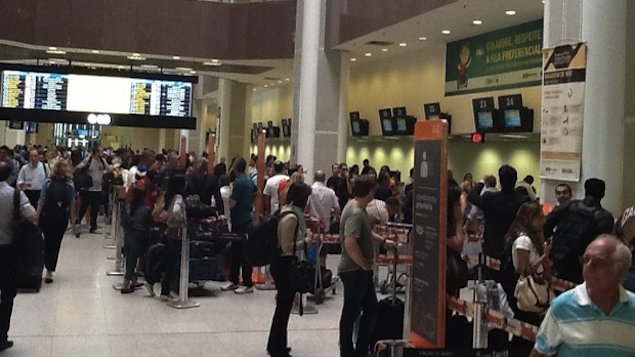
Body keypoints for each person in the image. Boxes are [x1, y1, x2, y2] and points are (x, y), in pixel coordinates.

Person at [531, 236, 635, 357]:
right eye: (585, 260)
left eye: (596, 262)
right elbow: (540, 353)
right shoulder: (562, 307)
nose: (588, 267)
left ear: (620, 270)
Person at [338, 175, 395, 357]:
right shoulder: (356, 212)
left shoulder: (355, 206)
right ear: (370, 192)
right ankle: (349, 350)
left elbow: (364, 232)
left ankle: (361, 347)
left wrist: (382, 240)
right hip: (355, 270)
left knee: (369, 308)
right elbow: (350, 242)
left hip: (358, 270)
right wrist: (364, 265)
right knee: (352, 312)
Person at [266, 183, 313, 357]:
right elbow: (286, 246)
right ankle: (277, 347)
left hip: (279, 263)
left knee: (282, 307)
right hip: (284, 264)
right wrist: (305, 241)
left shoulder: (283, 210)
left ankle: (277, 343)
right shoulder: (292, 217)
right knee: (283, 308)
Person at [502, 201, 551, 355]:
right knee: (525, 329)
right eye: (540, 217)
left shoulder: (532, 238)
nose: (544, 221)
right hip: (524, 290)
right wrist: (544, 256)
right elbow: (524, 270)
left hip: (528, 288)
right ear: (531, 218)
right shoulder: (524, 240)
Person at [545, 178, 614, 284]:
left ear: (585, 191)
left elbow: (546, 224)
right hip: (580, 265)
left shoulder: (568, 206)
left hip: (556, 257)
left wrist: (551, 244)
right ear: (603, 194)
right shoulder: (604, 217)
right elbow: (601, 246)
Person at [0, 160, 37, 351]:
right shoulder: (15, 195)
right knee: (6, 295)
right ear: (9, 176)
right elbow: (33, 217)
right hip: (8, 251)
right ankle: (1, 336)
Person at [468, 165, 530, 263]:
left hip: (492, 248)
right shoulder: (523, 200)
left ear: (500, 181)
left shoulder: (490, 198)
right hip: (515, 248)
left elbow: (471, 196)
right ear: (515, 180)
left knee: (491, 277)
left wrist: (482, 181)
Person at [148, 173, 187, 301]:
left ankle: (158, 285)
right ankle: (159, 285)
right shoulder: (179, 198)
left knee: (166, 259)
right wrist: (182, 220)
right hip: (176, 233)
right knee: (170, 262)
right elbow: (176, 211)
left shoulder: (169, 196)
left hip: (168, 231)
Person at [221, 157, 257, 294]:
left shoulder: (239, 183)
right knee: (238, 250)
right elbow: (256, 193)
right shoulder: (248, 181)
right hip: (246, 217)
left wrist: (229, 196)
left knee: (240, 251)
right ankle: (234, 279)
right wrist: (250, 205)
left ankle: (246, 282)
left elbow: (232, 203)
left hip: (239, 219)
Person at [36, 159, 75, 284]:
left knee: (46, 241)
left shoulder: (47, 182)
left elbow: (41, 201)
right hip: (61, 217)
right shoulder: (70, 185)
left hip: (47, 216)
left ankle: (44, 263)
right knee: (56, 243)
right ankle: (50, 269)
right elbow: (71, 204)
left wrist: (37, 216)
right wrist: (73, 220)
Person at [120, 187, 151, 294]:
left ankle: (133, 280)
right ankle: (125, 283)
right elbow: (148, 224)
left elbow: (123, 222)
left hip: (128, 234)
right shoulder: (145, 209)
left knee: (129, 258)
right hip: (139, 236)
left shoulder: (128, 207)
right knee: (134, 260)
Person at [76, 147, 111, 234]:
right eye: (100, 151)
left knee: (95, 209)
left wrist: (106, 167)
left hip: (98, 189)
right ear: (95, 152)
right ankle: (77, 223)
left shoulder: (103, 161)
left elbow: (109, 169)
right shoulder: (89, 160)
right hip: (88, 189)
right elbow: (79, 167)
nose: (101, 153)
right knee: (84, 207)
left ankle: (93, 227)